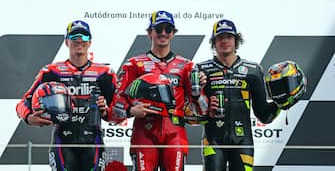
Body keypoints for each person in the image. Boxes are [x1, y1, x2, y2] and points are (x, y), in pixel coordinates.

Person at [16, 20, 117, 171]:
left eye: (83, 36)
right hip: (62, 142)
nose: (79, 40)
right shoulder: (51, 71)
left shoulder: (104, 73)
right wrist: (29, 118)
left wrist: (106, 112)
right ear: (66, 42)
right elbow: (24, 102)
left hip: (93, 142)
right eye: (74, 36)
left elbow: (119, 111)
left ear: (90, 42)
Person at [110, 10, 201, 171]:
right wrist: (131, 111)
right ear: (149, 32)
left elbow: (199, 110)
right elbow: (115, 111)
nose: (163, 33)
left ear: (173, 33)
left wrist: (199, 92)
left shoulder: (186, 66)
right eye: (159, 29)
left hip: (175, 132)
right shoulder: (133, 65)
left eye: (168, 29)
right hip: (144, 131)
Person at [195, 19, 283, 171]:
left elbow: (263, 115)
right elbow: (194, 115)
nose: (225, 41)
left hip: (243, 142)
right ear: (213, 42)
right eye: (220, 37)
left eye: (229, 37)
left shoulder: (253, 70)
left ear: (236, 40)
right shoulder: (201, 69)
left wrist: (281, 103)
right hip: (213, 140)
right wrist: (204, 104)